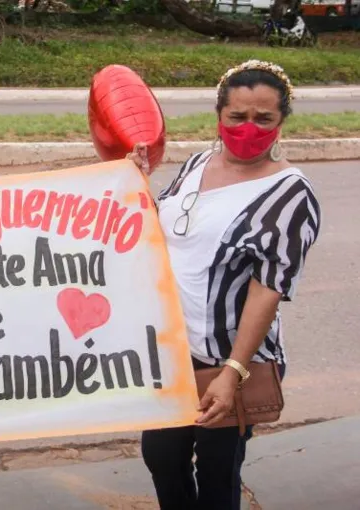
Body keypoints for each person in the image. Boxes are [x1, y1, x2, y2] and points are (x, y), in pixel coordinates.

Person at [128, 60, 321, 509]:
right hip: (173, 352)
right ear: (220, 113)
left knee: (217, 471)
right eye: (238, 116)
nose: (248, 127)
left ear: (281, 122)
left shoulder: (291, 196)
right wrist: (134, 180)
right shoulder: (197, 164)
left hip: (228, 359)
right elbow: (164, 229)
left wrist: (233, 372)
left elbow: (267, 290)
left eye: (263, 118)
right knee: (161, 457)